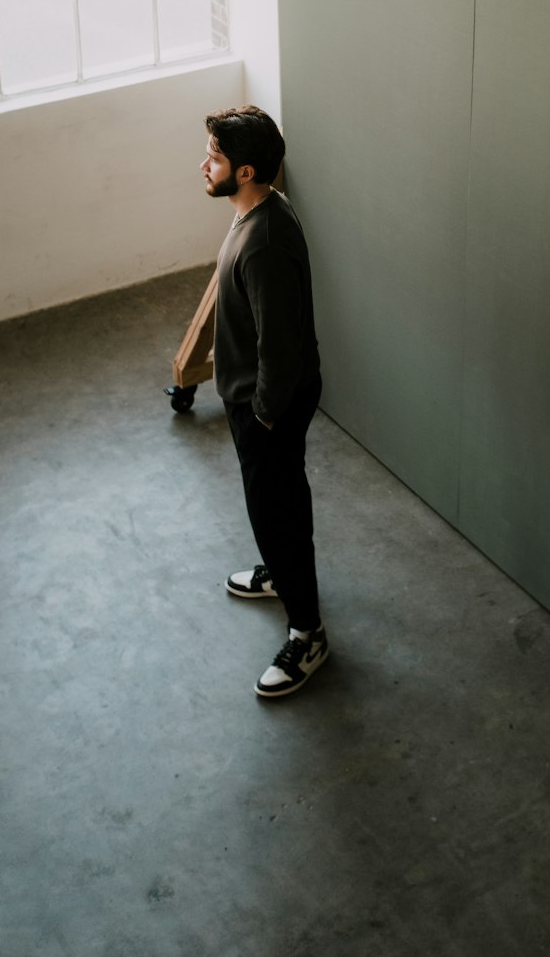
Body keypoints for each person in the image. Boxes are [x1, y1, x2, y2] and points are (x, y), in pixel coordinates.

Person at [201, 105, 327, 698]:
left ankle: (308, 634)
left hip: (266, 406)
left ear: (246, 170)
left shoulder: (266, 242)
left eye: (216, 157)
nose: (205, 164)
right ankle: (280, 573)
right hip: (256, 399)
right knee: (276, 505)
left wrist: (264, 417)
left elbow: (280, 348)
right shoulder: (255, 213)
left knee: (276, 512)